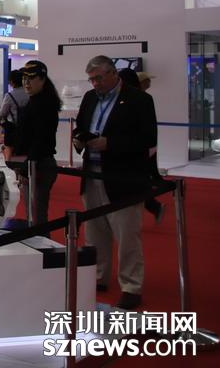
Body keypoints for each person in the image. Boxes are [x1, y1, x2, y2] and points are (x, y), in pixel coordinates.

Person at [73, 55, 157, 310]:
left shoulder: (139, 99)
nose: (95, 83)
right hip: (92, 174)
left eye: (99, 78)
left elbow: (147, 139)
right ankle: (98, 276)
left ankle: (131, 286)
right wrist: (79, 139)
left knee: (126, 234)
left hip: (123, 177)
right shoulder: (90, 97)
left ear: (113, 73)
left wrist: (110, 144)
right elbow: (81, 125)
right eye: (91, 79)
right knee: (95, 231)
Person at [6, 61, 61, 225]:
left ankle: (42, 242)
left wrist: (26, 167)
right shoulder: (36, 100)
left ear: (42, 79)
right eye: (24, 78)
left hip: (38, 165)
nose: (26, 82)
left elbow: (40, 140)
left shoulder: (43, 104)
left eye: (31, 78)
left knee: (37, 218)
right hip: (33, 163)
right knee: (33, 215)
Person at [118, 70, 164, 223]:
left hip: (137, 149)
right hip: (139, 148)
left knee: (138, 179)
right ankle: (153, 204)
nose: (149, 83)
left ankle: (153, 205)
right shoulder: (140, 98)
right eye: (147, 80)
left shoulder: (142, 99)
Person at [0, 70, 29, 150]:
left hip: (13, 128)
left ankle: (8, 156)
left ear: (11, 82)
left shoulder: (9, 95)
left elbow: (2, 113)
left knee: (9, 148)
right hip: (27, 127)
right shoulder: (29, 93)